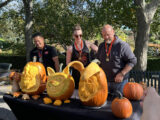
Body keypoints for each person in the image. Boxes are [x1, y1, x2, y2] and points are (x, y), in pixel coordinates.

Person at [97, 24, 137, 95]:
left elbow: (133, 60)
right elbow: (98, 61)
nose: (106, 37)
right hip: (104, 82)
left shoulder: (122, 45)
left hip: (120, 83)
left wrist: (122, 74)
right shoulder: (101, 46)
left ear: (113, 32)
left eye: (108, 34)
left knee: (120, 104)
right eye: (104, 35)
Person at [66, 24, 98, 89]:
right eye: (76, 36)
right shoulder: (70, 48)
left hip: (88, 75)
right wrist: (75, 65)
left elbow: (98, 50)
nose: (79, 37)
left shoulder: (87, 43)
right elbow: (68, 64)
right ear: (73, 36)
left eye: (80, 35)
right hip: (76, 76)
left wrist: (96, 61)